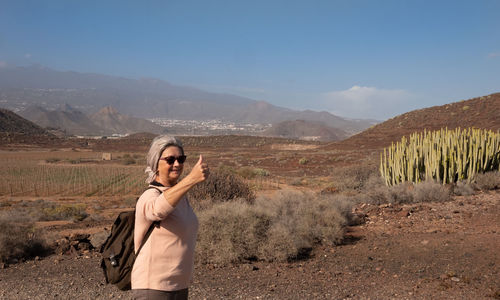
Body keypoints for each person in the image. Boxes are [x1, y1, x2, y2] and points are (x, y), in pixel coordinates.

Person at [131, 135, 209, 300]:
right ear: (155, 163)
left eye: (181, 159)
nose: (177, 164)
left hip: (179, 286)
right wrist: (191, 179)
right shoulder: (149, 195)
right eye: (170, 159)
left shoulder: (180, 198)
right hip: (153, 287)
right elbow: (158, 210)